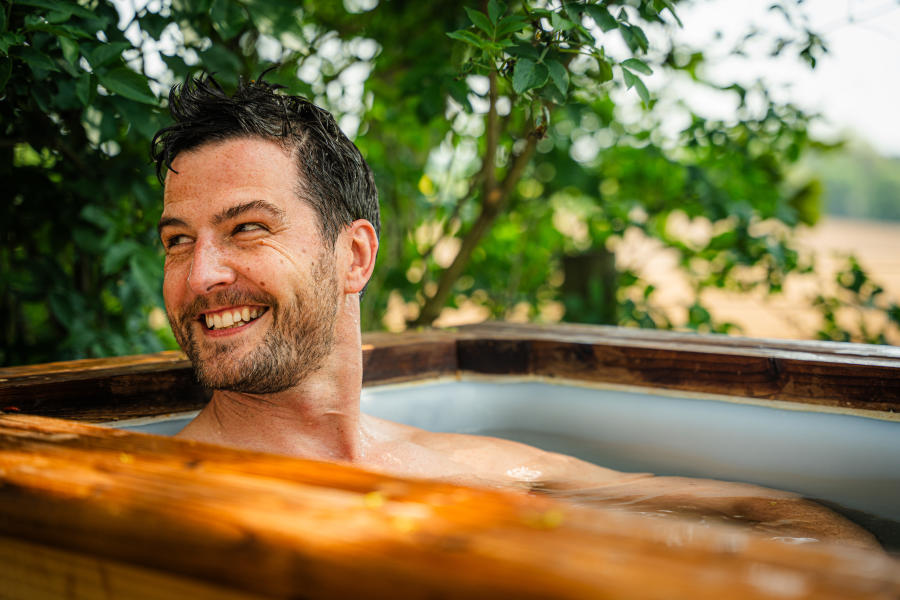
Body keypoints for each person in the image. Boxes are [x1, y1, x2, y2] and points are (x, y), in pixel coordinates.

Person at [152, 73, 878, 550]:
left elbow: (772, 516)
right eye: (178, 241)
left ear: (355, 257)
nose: (200, 274)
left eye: (247, 228)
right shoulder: (157, 497)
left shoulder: (466, 465)